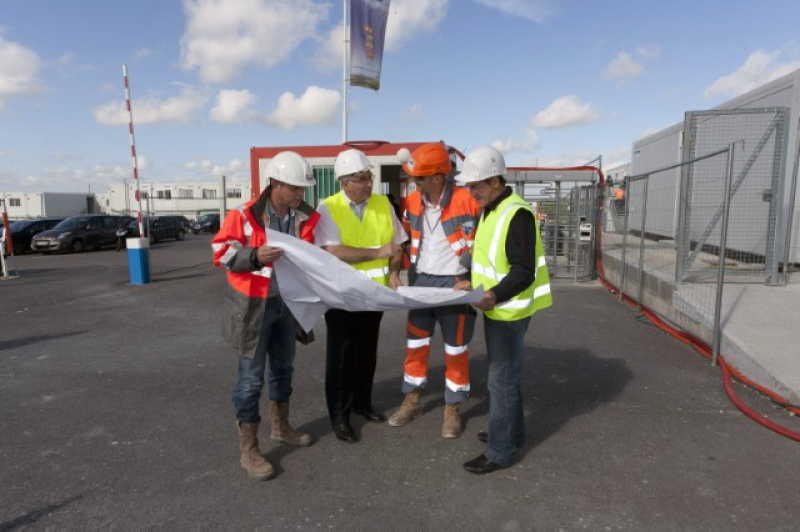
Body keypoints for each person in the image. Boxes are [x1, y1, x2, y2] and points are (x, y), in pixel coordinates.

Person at [212, 151, 319, 481]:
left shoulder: (306, 217)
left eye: (302, 188)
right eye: (295, 188)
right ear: (275, 184)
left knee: (284, 368)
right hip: (253, 308)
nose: (300, 194)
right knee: (250, 380)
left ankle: (280, 427)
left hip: (287, 305)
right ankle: (249, 449)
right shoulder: (243, 215)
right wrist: (255, 255)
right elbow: (221, 252)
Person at [453, 146, 552, 474]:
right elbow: (487, 256)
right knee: (505, 376)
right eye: (469, 186)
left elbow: (524, 271)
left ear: (496, 180)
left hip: (509, 310)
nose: (471, 192)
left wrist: (493, 295)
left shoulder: (516, 214)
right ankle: (511, 433)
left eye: (476, 185)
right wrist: (470, 281)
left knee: (501, 380)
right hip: (498, 307)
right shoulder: (491, 208)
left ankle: (500, 451)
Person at [388, 142, 480, 438]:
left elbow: (488, 241)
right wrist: (396, 272)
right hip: (421, 282)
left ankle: (453, 406)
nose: (414, 181)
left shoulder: (468, 199)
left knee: (456, 349)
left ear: (439, 177)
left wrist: (474, 277)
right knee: (415, 345)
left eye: (419, 177)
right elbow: (404, 237)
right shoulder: (413, 201)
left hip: (455, 284)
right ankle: (412, 399)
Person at [314, 148, 406, 443]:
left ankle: (362, 403)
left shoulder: (383, 204)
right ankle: (339, 416)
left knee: (367, 352)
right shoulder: (328, 208)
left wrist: (395, 272)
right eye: (362, 179)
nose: (369, 183)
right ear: (345, 183)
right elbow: (333, 250)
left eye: (370, 177)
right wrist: (377, 253)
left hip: (374, 295)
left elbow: (397, 245)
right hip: (341, 296)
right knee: (341, 356)